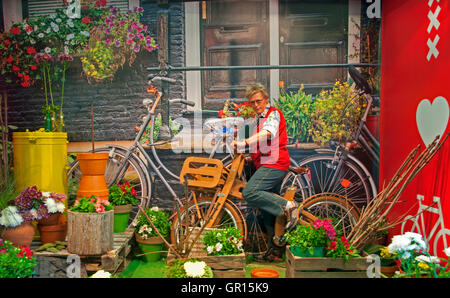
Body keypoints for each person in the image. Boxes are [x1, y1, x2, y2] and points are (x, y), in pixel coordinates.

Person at [232, 83, 298, 261]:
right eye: (252, 102)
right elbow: (259, 143)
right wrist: (248, 157)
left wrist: (244, 142)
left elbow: (268, 134)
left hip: (275, 164)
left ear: (266, 99)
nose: (255, 105)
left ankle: (288, 207)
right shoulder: (259, 119)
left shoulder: (273, 114)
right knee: (268, 210)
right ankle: (275, 253)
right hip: (266, 164)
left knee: (250, 192)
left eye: (258, 101)